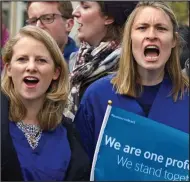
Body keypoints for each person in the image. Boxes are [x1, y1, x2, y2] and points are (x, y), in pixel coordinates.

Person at [73, 1, 189, 162]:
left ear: (174, 40)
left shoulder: (187, 97)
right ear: (129, 38)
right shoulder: (97, 97)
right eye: (142, 28)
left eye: (161, 29)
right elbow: (80, 167)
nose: (151, 35)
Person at [1, 25, 89, 181]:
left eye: (41, 60)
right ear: (8, 68)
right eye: (22, 59)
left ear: (56, 72)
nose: (31, 67)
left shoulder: (69, 135)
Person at [66, 1, 137, 119]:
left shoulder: (128, 68)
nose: (75, 12)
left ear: (108, 17)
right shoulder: (76, 62)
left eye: (85, 6)